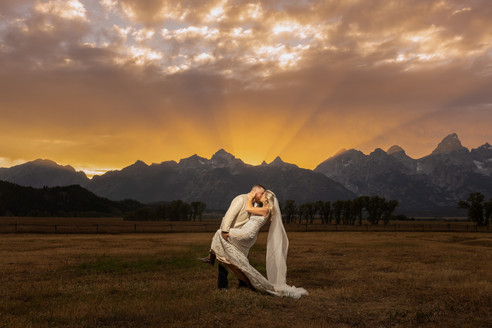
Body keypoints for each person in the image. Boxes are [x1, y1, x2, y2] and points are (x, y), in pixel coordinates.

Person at [199, 188, 308, 298]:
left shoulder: (266, 209)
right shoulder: (261, 207)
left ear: (266, 199)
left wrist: (250, 198)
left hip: (247, 233)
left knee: (220, 233)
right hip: (246, 233)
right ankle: (214, 258)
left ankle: (212, 257)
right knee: (234, 255)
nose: (261, 196)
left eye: (263, 195)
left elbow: (248, 208)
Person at [198, 184, 266, 289]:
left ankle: (243, 284)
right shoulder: (240, 199)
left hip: (240, 236)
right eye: (261, 193)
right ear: (254, 191)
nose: (262, 196)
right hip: (230, 233)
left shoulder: (256, 205)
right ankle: (223, 287)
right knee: (224, 261)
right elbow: (230, 215)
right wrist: (225, 231)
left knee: (242, 260)